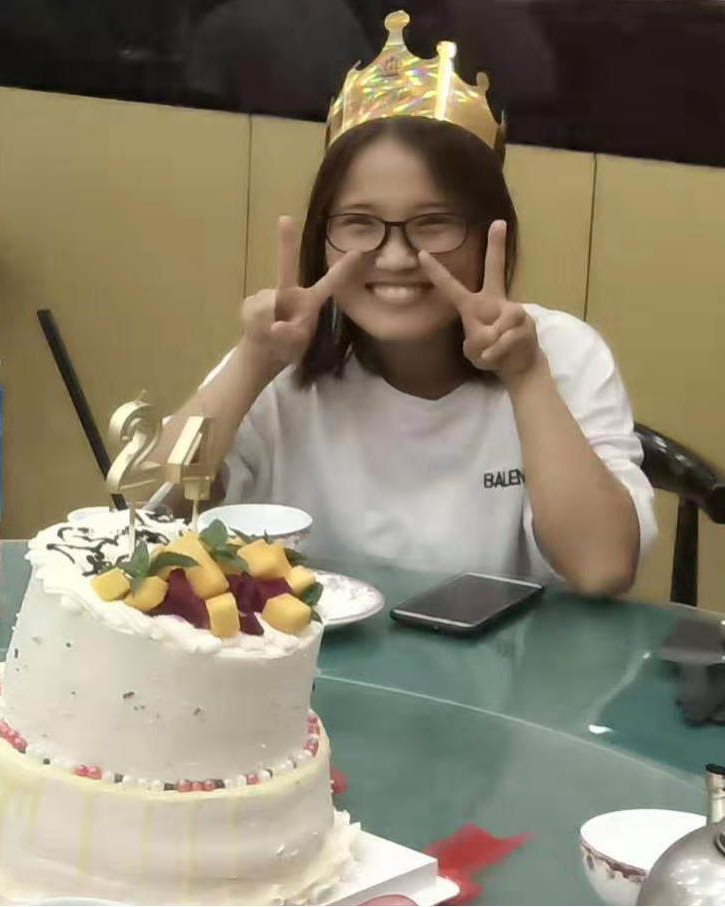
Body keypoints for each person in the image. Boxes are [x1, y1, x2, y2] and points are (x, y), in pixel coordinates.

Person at [155, 30, 656, 597]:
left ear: (491, 234)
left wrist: (526, 376)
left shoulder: (563, 351)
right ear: (322, 236)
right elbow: (148, 511)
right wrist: (252, 362)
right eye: (359, 223)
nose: (395, 258)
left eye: (433, 223)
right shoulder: (282, 349)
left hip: (505, 655)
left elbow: (602, 567)